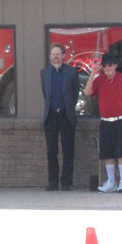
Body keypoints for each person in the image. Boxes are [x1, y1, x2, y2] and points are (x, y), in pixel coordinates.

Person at [84, 53, 122, 193]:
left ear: (116, 65)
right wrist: (93, 72)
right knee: (107, 153)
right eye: (105, 66)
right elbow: (87, 92)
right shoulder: (99, 80)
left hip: (121, 120)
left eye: (110, 65)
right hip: (105, 122)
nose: (108, 68)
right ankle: (111, 181)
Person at [41, 43, 81, 191]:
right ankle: (52, 182)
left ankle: (66, 182)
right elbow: (46, 94)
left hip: (66, 115)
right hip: (50, 116)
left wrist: (68, 107)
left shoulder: (71, 72)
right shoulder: (44, 73)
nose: (56, 56)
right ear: (50, 56)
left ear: (63, 55)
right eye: (53, 54)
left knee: (68, 150)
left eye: (58, 53)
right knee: (51, 150)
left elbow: (75, 94)